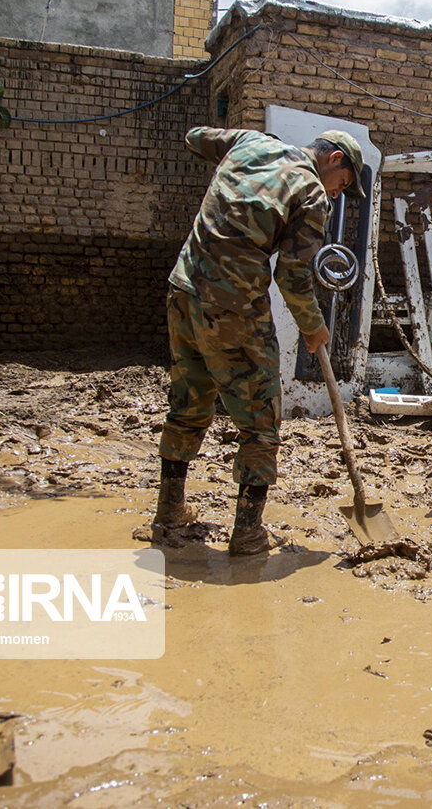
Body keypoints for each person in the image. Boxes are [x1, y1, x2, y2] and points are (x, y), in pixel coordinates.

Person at [149, 126, 366, 555]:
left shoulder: (251, 142)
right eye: (343, 185)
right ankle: (248, 534)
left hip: (184, 289)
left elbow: (193, 137)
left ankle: (169, 511)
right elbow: (291, 274)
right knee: (261, 422)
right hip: (234, 307)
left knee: (189, 402)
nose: (339, 195)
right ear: (335, 159)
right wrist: (313, 326)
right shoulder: (311, 193)